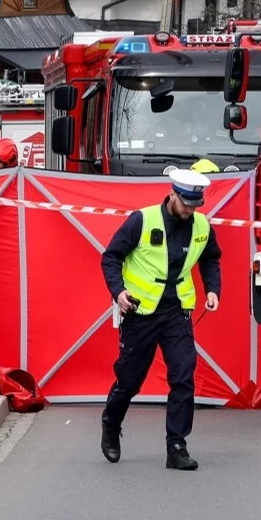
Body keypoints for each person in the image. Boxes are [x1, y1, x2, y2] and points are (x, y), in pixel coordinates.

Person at [99, 168, 221, 470]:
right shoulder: (142, 220)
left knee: (183, 374)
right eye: (186, 204)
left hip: (176, 312)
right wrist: (118, 292)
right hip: (139, 312)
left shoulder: (201, 225)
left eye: (196, 206)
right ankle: (111, 423)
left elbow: (210, 258)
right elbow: (110, 257)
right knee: (130, 381)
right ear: (172, 195)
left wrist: (213, 289)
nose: (190, 211)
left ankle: (176, 446)